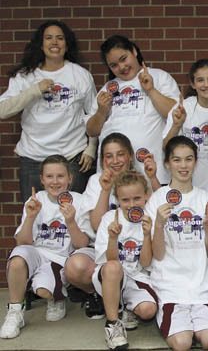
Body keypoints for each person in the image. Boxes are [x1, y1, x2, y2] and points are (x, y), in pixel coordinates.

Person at [64, 132, 159, 320]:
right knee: (76, 266)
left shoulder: (141, 178)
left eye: (120, 154)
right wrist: (106, 190)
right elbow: (97, 225)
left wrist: (153, 178)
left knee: (147, 305)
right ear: (102, 160)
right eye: (109, 156)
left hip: (137, 250)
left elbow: (160, 207)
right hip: (103, 246)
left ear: (130, 156)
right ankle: (99, 295)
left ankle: (124, 300)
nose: (115, 161)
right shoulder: (96, 181)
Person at [0, 20, 97, 202]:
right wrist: (35, 90)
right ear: (40, 44)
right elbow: (2, 110)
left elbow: (94, 114)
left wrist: (91, 148)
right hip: (33, 158)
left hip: (72, 158)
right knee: (35, 219)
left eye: (60, 38)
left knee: (73, 217)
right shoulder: (25, 76)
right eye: (49, 38)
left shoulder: (81, 75)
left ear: (67, 44)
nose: (54, 42)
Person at [0, 155, 91, 339]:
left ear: (70, 178)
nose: (55, 181)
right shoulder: (35, 199)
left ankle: (55, 295)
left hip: (60, 259)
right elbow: (22, 242)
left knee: (43, 291)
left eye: (60, 176)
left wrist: (71, 221)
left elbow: (82, 244)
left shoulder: (80, 200)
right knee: (17, 260)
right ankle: (15, 311)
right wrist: (31, 216)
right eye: (49, 176)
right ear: (42, 179)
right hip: (36, 254)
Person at [147, 136, 208, 351]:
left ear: (196, 162)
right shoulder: (157, 199)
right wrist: (160, 225)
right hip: (170, 286)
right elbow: (158, 254)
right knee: (182, 343)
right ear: (167, 164)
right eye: (177, 160)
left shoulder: (205, 199)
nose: (183, 166)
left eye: (189, 159)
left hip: (200, 286)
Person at [86, 35, 180, 184]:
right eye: (114, 65)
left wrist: (151, 90)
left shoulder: (159, 76)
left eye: (124, 59)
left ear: (134, 51)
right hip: (114, 176)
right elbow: (91, 131)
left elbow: (175, 114)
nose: (121, 67)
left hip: (154, 173)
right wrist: (101, 111)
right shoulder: (108, 88)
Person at [93, 170, 157, 350]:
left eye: (137, 198)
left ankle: (127, 308)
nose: (131, 204)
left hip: (137, 276)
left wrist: (146, 236)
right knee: (113, 268)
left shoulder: (149, 219)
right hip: (110, 276)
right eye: (125, 200)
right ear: (117, 200)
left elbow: (145, 263)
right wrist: (113, 239)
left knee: (148, 311)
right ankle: (113, 324)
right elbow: (110, 261)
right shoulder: (109, 219)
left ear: (146, 196)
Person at [163, 59, 208, 195]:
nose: (206, 85)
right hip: (189, 179)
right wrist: (177, 125)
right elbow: (166, 147)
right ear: (193, 84)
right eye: (200, 80)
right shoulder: (183, 107)